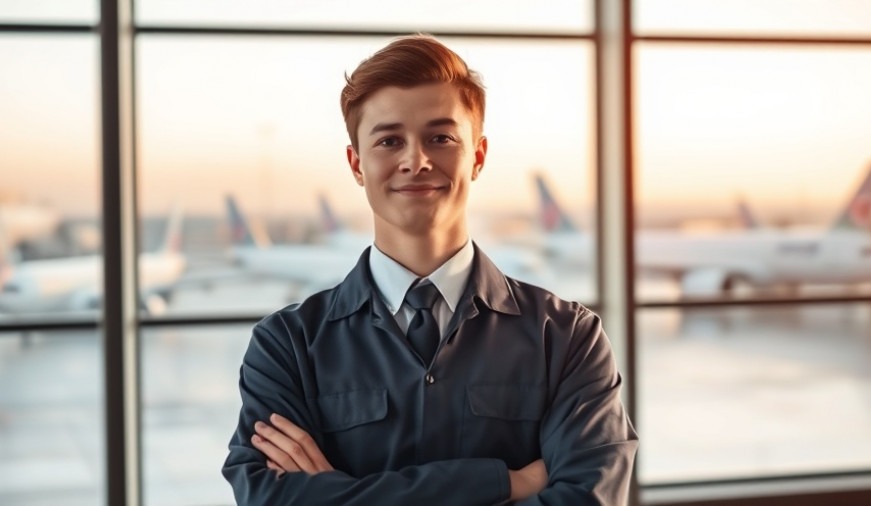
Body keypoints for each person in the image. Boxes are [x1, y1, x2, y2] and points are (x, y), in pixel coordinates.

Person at [222, 34, 638, 505]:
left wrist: (335, 494)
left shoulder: (566, 338)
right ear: (357, 164)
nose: (415, 161)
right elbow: (268, 500)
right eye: (389, 140)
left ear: (477, 156)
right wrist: (505, 482)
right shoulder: (287, 346)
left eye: (440, 138)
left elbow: (588, 500)